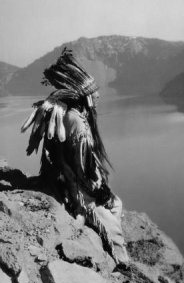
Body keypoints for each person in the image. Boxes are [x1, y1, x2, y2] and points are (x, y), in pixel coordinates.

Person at [21, 48, 129, 263]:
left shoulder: (73, 115)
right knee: (112, 226)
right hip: (76, 190)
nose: (97, 95)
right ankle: (119, 264)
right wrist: (98, 192)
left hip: (71, 181)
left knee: (115, 204)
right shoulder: (76, 121)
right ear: (83, 96)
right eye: (93, 93)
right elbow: (81, 169)